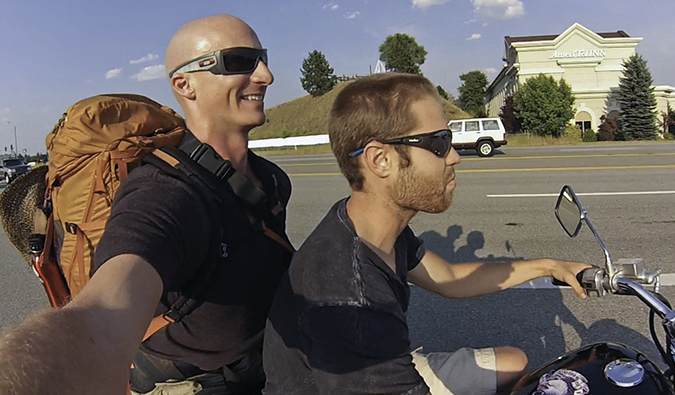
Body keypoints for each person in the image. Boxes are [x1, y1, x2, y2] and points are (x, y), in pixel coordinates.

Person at [0, 14, 293, 395]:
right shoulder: (163, 192)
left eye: (262, 58)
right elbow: (105, 316)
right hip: (200, 383)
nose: (265, 76)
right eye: (239, 62)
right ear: (184, 85)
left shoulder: (270, 179)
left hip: (268, 366)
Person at [262, 73, 590, 395]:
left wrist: (549, 266)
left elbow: (448, 278)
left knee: (513, 362)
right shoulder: (349, 297)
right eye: (438, 143)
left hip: (375, 364)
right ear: (380, 159)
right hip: (344, 380)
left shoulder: (370, 225)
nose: (455, 157)